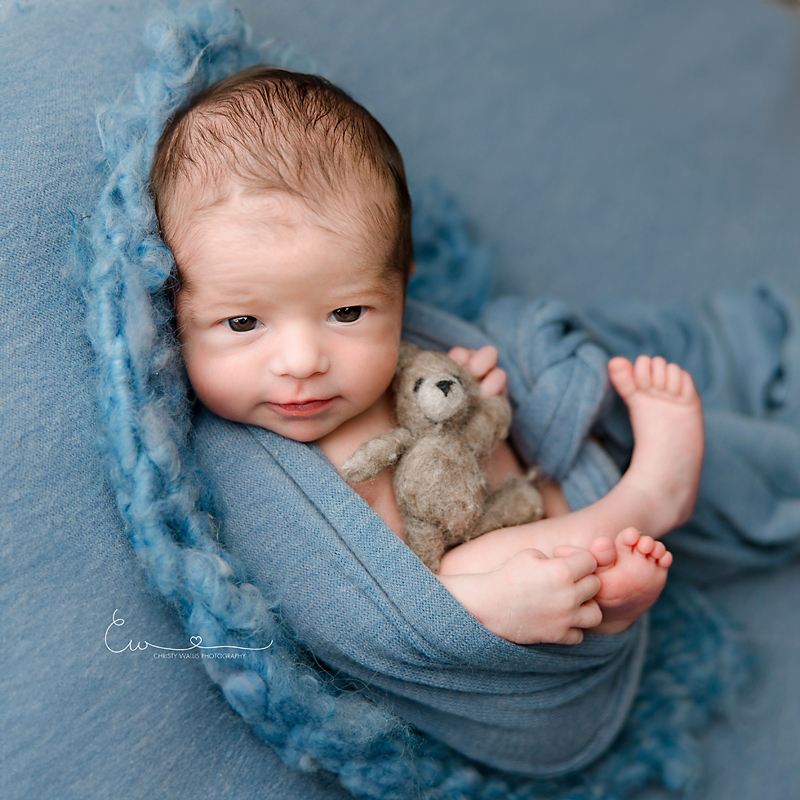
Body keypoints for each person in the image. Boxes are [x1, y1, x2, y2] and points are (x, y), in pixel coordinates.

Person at [150, 64, 700, 646]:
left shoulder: (402, 362)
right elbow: (340, 615)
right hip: (468, 606)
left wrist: (478, 406)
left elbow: (474, 446)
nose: (303, 361)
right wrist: (473, 606)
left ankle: (604, 599)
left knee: (526, 466)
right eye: (242, 322)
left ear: (401, 290)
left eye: (348, 313)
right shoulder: (235, 470)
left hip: (518, 518)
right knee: (464, 575)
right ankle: (651, 495)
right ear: (176, 316)